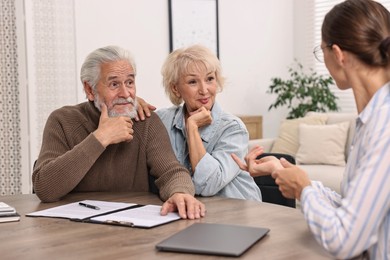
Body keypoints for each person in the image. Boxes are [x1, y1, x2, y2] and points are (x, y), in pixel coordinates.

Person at [232, 0, 390, 259]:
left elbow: (345, 239)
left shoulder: (384, 125)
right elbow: (354, 212)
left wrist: (303, 190)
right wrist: (286, 173)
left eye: (322, 49)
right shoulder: (370, 121)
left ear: (338, 54)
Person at [32, 45, 206, 220]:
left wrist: (180, 192)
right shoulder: (62, 120)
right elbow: (45, 188)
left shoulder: (145, 121)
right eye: (114, 84)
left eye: (129, 82)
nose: (125, 93)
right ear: (90, 89)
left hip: (131, 227)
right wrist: (100, 138)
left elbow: (171, 172)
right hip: (72, 230)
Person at [155, 44, 261, 201]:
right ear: (176, 88)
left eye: (210, 79)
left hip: (238, 214)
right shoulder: (162, 120)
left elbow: (208, 184)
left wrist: (192, 128)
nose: (204, 90)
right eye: (193, 82)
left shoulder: (233, 128)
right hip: (191, 213)